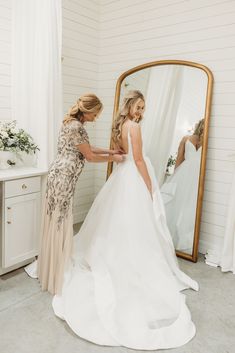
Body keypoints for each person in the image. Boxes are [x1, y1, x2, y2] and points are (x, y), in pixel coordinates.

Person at [52, 90, 199, 350]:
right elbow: (139, 159)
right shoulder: (135, 127)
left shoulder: (121, 126)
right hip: (133, 175)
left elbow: (121, 152)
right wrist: (149, 186)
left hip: (122, 174)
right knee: (136, 223)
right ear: (130, 106)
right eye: (138, 106)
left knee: (118, 221)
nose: (141, 111)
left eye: (144, 107)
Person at [38, 93, 124, 295]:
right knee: (60, 220)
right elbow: (90, 157)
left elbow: (87, 148)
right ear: (87, 111)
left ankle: (51, 267)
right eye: (96, 113)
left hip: (57, 175)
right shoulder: (76, 126)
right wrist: (116, 160)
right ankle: (56, 271)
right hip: (64, 179)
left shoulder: (71, 124)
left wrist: (111, 152)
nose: (96, 117)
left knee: (55, 220)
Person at [161, 119, 204, 251]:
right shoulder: (187, 138)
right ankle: (171, 236)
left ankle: (184, 236)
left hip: (196, 176)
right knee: (180, 204)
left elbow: (179, 160)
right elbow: (179, 159)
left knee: (189, 206)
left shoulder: (201, 141)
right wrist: (174, 179)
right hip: (187, 174)